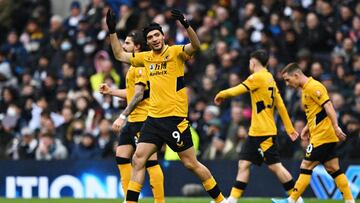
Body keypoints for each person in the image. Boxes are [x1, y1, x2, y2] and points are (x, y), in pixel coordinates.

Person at [106, 8, 228, 203]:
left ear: (163, 36)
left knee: (191, 164)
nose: (154, 39)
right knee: (138, 160)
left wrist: (187, 25)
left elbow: (196, 46)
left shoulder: (175, 52)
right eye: (151, 37)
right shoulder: (145, 59)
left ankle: (221, 200)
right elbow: (120, 55)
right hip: (153, 119)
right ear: (146, 42)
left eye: (157, 35)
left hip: (174, 120)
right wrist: (112, 31)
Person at [214, 50, 303, 203]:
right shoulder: (270, 78)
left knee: (275, 166)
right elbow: (280, 105)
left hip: (264, 132)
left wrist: (221, 93)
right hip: (255, 132)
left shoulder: (256, 77)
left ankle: (297, 198)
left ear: (253, 62)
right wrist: (289, 128)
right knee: (243, 164)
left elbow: (238, 89)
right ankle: (232, 200)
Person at [272, 63, 355, 203]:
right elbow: (316, 113)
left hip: (323, 136)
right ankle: (349, 200)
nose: (287, 84)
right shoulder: (305, 90)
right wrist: (306, 128)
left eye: (288, 80)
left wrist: (336, 126)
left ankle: (291, 201)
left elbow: (328, 105)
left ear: (296, 75)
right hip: (320, 134)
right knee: (333, 168)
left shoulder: (314, 87)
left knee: (306, 166)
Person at [99, 31, 164, 202]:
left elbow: (138, 95)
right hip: (134, 120)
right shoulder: (134, 67)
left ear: (137, 47)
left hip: (145, 120)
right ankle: (129, 198)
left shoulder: (141, 66)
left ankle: (159, 201)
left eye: (127, 43)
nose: (123, 46)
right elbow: (131, 93)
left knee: (150, 161)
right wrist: (111, 91)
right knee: (121, 156)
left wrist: (121, 116)